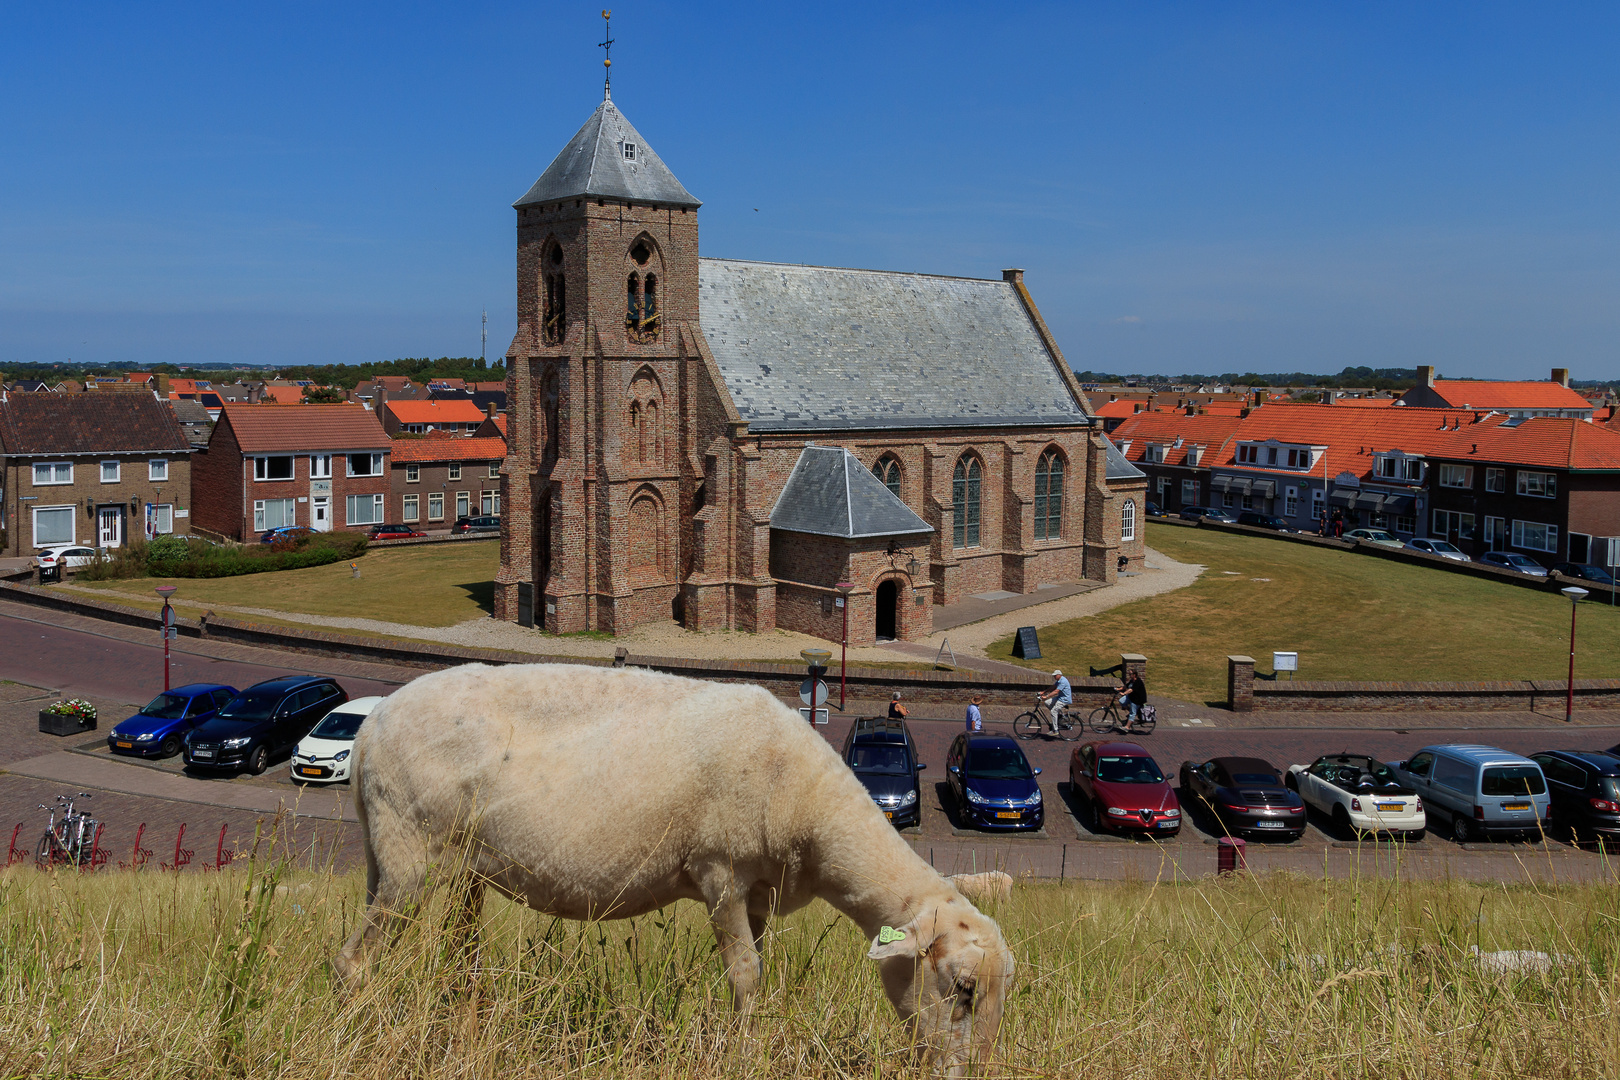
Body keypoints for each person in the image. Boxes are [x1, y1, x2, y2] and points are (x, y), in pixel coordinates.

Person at [1038, 670, 1071, 735]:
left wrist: (1046, 696)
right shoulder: (1058, 681)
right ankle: (1057, 716)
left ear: (1059, 675)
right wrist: (1043, 692)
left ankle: (1055, 730)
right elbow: (1053, 687)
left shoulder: (1063, 681)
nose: (1054, 676)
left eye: (1055, 675)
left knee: (1053, 711)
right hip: (1060, 698)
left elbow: (1056, 691)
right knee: (1047, 702)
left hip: (1064, 699)